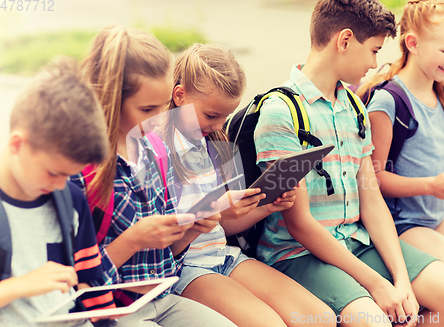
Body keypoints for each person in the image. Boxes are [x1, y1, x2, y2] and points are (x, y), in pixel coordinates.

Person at [253, 0, 444, 326]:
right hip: (299, 255)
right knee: (374, 320)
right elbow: (299, 224)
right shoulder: (282, 111)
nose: (375, 64)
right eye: (373, 51)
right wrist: (377, 284)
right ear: (344, 41)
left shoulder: (354, 108)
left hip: (357, 242)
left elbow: (371, 200)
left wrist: (400, 280)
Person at [159, 43, 336, 327]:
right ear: (180, 96)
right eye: (211, 115)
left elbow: (224, 227)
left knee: (320, 319)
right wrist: (214, 208)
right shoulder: (158, 150)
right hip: (188, 266)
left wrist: (266, 207)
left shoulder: (216, 145)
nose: (219, 126)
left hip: (225, 255)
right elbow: (165, 239)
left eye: (225, 117)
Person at [71, 25, 237, 327]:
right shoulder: (79, 168)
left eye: (163, 105)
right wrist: (132, 241)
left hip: (161, 297)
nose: (161, 116)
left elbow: (166, 257)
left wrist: (192, 228)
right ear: (108, 98)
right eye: (147, 108)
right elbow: (70, 281)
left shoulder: (156, 149)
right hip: (110, 308)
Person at [358, 0, 444, 326]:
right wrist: (432, 186)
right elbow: (373, 179)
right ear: (413, 44)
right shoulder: (389, 101)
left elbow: (428, 163)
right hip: (405, 224)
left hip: (435, 216)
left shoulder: (440, 93)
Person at [0, 58, 114, 326]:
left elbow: (86, 282)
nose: (62, 184)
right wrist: (21, 285)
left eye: (69, 174)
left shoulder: (70, 199)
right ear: (17, 144)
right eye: (54, 172)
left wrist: (107, 320)